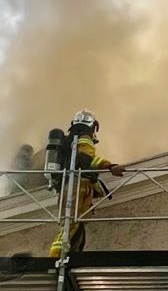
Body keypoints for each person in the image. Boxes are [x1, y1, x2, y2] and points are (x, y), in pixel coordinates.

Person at [49, 110, 125, 258]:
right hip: (78, 185)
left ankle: (70, 254)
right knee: (69, 223)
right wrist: (110, 166)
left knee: (74, 222)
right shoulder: (84, 138)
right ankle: (56, 256)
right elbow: (86, 159)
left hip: (70, 184)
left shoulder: (70, 139)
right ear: (93, 126)